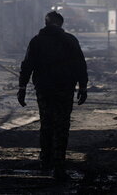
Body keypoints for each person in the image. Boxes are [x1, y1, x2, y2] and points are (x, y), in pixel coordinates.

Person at [17, 11, 88, 181]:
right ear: (61, 24)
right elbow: (80, 65)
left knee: (46, 123)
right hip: (64, 88)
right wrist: (83, 87)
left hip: (44, 89)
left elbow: (27, 65)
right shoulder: (70, 40)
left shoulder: (37, 41)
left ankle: (45, 161)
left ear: (46, 23)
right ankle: (59, 166)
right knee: (62, 126)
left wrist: (22, 87)